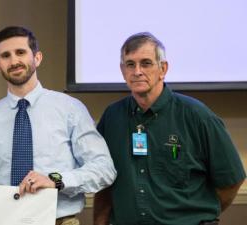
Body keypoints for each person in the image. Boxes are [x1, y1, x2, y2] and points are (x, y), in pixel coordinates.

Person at [0, 26, 117, 225]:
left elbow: (104, 169)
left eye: (20, 52)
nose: (14, 61)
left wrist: (55, 179)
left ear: (37, 58)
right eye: (5, 55)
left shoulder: (70, 109)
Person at [93, 32, 246, 225]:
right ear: (123, 71)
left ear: (163, 69)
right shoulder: (112, 117)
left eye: (146, 63)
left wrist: (196, 215)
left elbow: (232, 181)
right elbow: (105, 183)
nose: (137, 71)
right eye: (130, 64)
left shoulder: (197, 115)